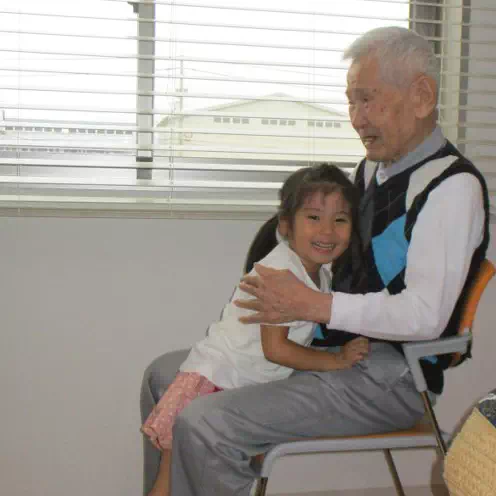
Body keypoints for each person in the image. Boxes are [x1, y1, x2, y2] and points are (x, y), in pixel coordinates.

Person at [140, 26, 490, 496]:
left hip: (389, 378)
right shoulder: (373, 169)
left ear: (421, 97)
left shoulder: (451, 189)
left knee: (206, 421)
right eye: (351, 102)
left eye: (367, 101)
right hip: (327, 348)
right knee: (163, 377)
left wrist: (312, 306)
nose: (356, 118)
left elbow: (425, 317)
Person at [141, 163, 369, 496]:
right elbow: (276, 349)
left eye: (340, 220)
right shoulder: (281, 275)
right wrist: (336, 360)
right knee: (171, 484)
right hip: (215, 384)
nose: (327, 231)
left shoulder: (317, 273)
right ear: (286, 225)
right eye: (314, 217)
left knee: (180, 482)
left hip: (229, 382)